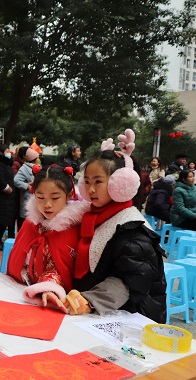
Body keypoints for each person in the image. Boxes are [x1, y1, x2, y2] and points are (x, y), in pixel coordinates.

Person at [62, 130, 166, 323]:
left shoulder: (132, 228)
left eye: (99, 182)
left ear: (121, 184)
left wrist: (89, 300)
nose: (91, 189)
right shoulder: (94, 217)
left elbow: (129, 281)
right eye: (87, 182)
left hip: (132, 317)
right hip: (101, 312)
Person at [7, 165, 88, 311]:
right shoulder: (30, 223)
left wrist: (49, 287)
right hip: (18, 292)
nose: (47, 205)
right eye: (40, 197)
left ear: (69, 195)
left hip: (53, 301)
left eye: (55, 197)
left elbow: (62, 269)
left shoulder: (72, 229)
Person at [0, 144, 17, 250]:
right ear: (1, 152)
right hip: (2, 197)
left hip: (7, 198)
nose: (9, 153)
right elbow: (0, 180)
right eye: (7, 151)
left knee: (5, 220)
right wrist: (7, 188)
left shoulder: (6, 164)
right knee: (1, 220)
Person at [14, 147, 40, 230]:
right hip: (27, 199)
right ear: (33, 159)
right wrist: (27, 186)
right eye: (37, 158)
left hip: (36, 200)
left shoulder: (37, 167)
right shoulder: (24, 168)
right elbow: (16, 180)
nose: (39, 159)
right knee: (25, 225)